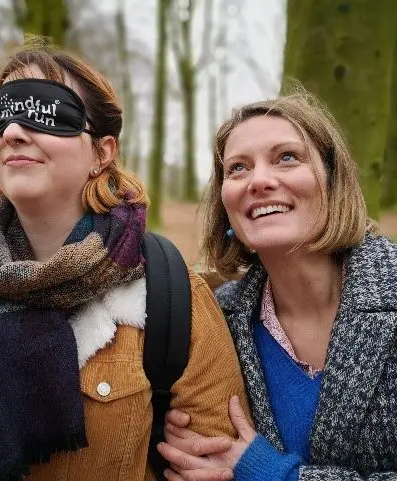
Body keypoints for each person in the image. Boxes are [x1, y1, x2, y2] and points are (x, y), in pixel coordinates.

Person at [0, 44, 251, 481]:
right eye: (3, 115)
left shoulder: (169, 295)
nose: (13, 130)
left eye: (45, 111)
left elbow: (215, 460)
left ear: (102, 152)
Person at [157, 89, 397, 481]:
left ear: (332, 180)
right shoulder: (216, 318)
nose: (259, 181)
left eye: (287, 157)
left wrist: (270, 473)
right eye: (238, 168)